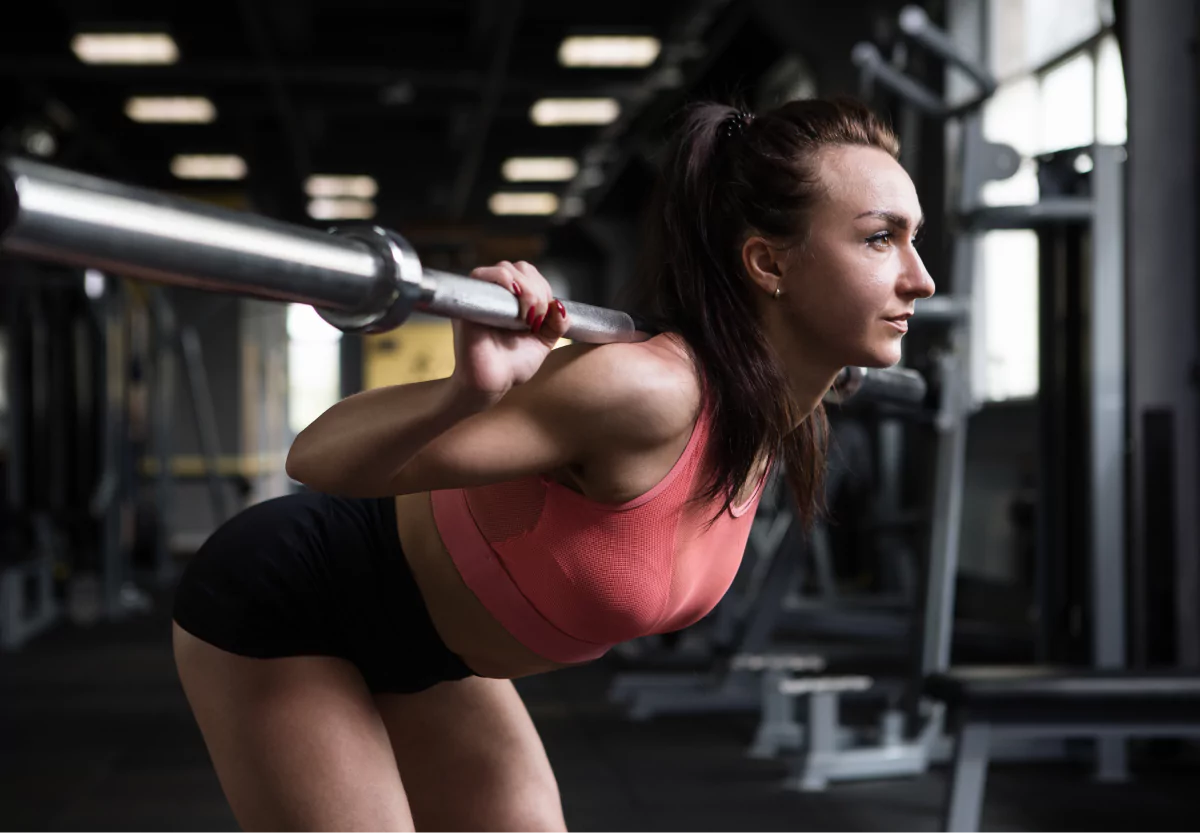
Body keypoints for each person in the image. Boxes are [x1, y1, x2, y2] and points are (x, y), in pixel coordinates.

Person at [170, 95, 935, 833]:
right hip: (300, 598)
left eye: (914, 238)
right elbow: (314, 456)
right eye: (880, 239)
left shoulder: (783, 405)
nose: (920, 277)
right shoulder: (650, 391)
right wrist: (467, 392)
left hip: (434, 649)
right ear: (768, 262)